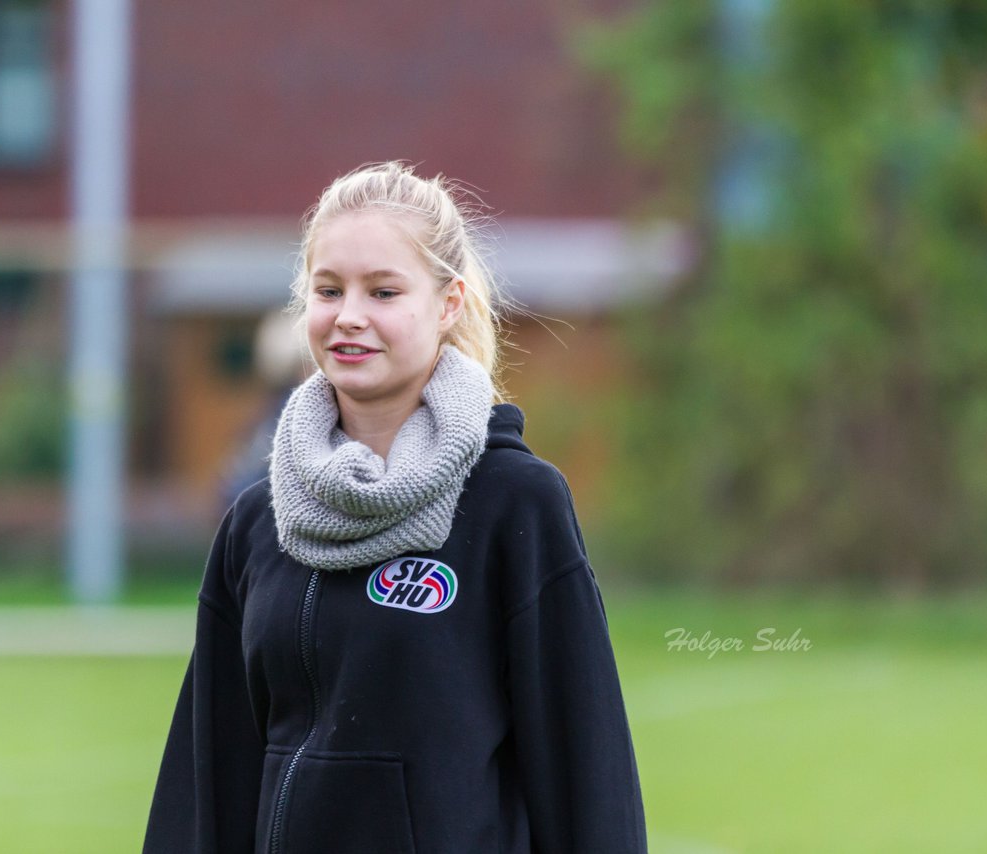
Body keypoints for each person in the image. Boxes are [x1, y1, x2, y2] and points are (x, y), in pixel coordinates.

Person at [144, 161, 647, 853]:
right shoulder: (258, 522)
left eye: (383, 291)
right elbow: (207, 780)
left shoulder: (515, 505)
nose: (350, 316)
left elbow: (585, 774)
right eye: (328, 290)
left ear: (446, 305)